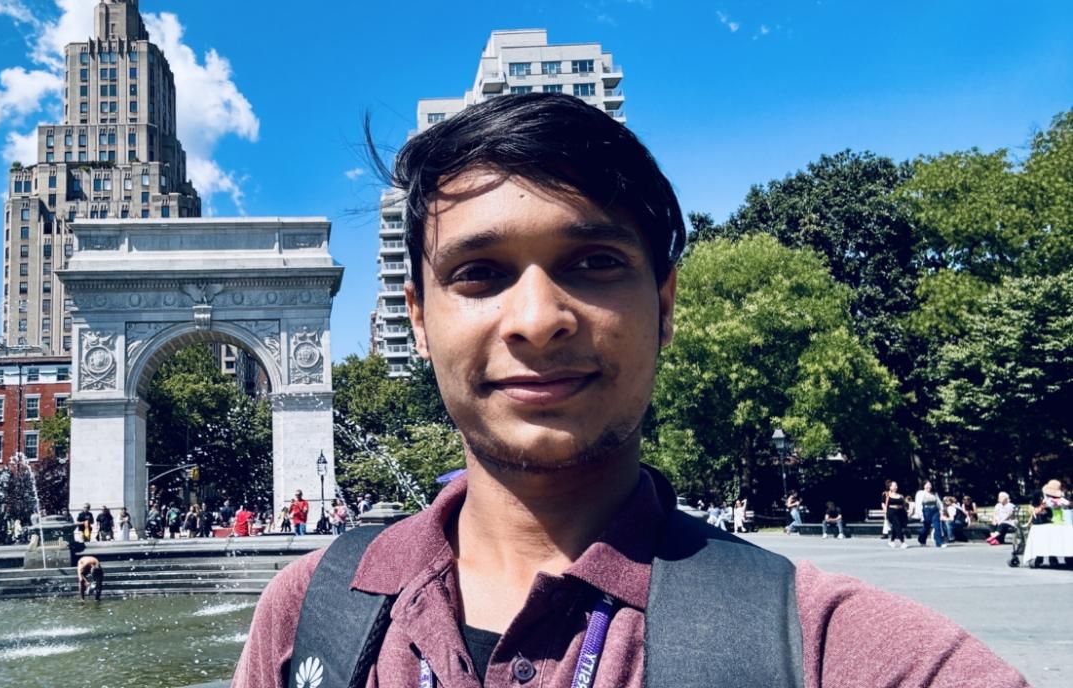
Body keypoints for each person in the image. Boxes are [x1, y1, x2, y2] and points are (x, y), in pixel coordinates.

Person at [231, 93, 1027, 688]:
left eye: (594, 263)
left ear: (666, 304)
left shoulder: (843, 652)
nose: (538, 320)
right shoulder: (307, 613)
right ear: (419, 315)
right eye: (480, 273)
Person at [915, 480, 947, 548]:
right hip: (926, 511)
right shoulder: (920, 493)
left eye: (930, 485)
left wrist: (941, 510)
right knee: (926, 527)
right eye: (927, 485)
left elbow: (939, 502)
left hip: (935, 511)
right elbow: (918, 504)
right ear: (923, 486)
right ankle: (921, 539)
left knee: (937, 526)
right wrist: (920, 515)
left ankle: (939, 542)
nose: (929, 486)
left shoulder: (934, 493)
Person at [885, 481, 910, 549]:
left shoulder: (900, 495)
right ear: (890, 487)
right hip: (892, 512)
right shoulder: (888, 495)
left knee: (896, 527)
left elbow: (904, 505)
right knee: (897, 525)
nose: (896, 487)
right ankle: (902, 542)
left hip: (900, 512)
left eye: (896, 485)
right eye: (894, 486)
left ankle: (892, 541)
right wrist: (886, 514)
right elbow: (886, 505)